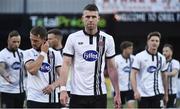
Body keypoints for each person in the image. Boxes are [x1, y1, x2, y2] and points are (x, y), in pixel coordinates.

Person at [53, 4, 121, 108]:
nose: (90, 20)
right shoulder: (73, 38)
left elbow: (112, 68)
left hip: (99, 95)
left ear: (98, 19)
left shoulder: (108, 39)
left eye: (93, 17)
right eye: (87, 17)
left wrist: (117, 92)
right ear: (82, 19)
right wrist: (63, 89)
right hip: (77, 94)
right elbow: (65, 65)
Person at [24, 26, 63, 108]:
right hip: (34, 99)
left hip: (52, 100)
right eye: (31, 39)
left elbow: (63, 76)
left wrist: (54, 85)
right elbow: (32, 71)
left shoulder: (55, 54)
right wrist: (43, 53)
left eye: (36, 40)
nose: (33, 43)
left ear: (44, 39)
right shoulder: (28, 53)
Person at [130, 31, 168, 108]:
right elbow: (133, 74)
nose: (154, 43)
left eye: (157, 41)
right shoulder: (139, 56)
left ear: (159, 43)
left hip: (158, 93)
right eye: (152, 40)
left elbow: (164, 76)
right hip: (143, 95)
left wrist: (166, 94)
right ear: (148, 42)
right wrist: (135, 91)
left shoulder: (162, 58)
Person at [0, 30, 26, 108]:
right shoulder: (2, 54)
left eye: (18, 42)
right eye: (14, 42)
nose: (16, 44)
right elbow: (1, 67)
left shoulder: (23, 53)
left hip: (21, 91)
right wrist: (6, 75)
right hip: (7, 91)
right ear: (8, 40)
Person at [114, 41, 135, 108]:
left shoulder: (134, 59)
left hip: (130, 89)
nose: (131, 50)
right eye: (130, 48)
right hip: (118, 89)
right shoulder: (116, 59)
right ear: (124, 49)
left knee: (131, 107)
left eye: (132, 48)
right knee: (118, 107)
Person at [162, 43, 180, 108]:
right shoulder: (161, 62)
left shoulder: (175, 62)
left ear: (171, 52)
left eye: (166, 51)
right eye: (163, 51)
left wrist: (164, 74)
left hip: (172, 92)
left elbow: (174, 73)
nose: (164, 53)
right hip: (161, 91)